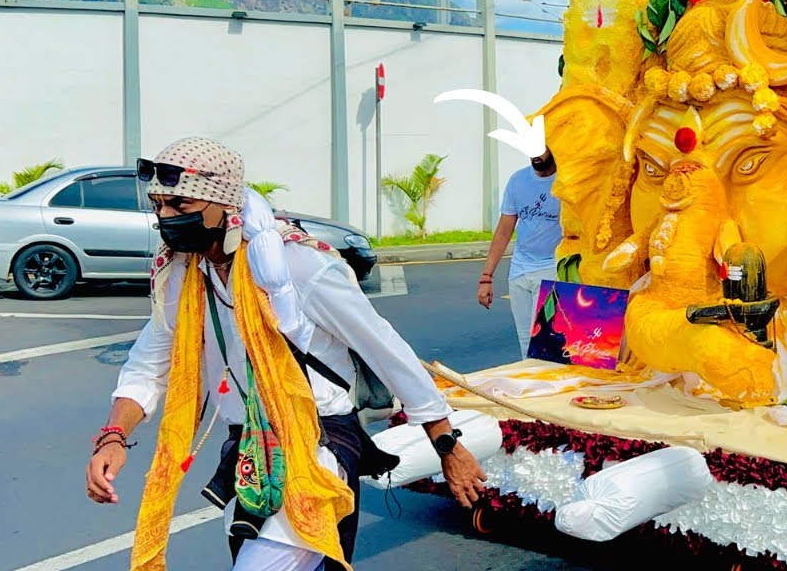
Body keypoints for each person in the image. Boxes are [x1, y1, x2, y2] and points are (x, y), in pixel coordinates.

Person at [86, 137, 487, 571]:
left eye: (180, 206)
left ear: (223, 204)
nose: (166, 218)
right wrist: (114, 437)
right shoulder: (185, 274)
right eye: (159, 205)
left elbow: (386, 350)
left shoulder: (297, 265)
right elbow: (149, 363)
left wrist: (446, 444)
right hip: (247, 454)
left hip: (317, 447)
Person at [478, 146, 562, 357]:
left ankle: (549, 388)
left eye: (541, 149)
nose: (536, 155)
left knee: (545, 346)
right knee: (526, 345)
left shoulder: (566, 183)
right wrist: (486, 277)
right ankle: (535, 389)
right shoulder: (518, 180)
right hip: (519, 272)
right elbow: (504, 231)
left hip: (552, 270)